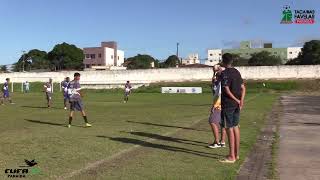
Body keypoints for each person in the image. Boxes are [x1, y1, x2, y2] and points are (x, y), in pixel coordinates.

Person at [220, 53, 246, 163]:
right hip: (237, 105)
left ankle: (231, 156)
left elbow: (226, 89)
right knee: (235, 127)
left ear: (223, 61)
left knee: (229, 128)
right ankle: (237, 154)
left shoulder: (225, 73)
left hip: (229, 104)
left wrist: (236, 100)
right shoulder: (237, 72)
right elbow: (243, 88)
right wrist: (241, 101)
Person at [208, 65, 227, 149]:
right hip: (224, 104)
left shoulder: (220, 82)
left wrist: (214, 106)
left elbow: (219, 95)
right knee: (222, 124)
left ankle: (216, 142)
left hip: (219, 104)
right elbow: (213, 84)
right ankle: (222, 142)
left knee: (212, 121)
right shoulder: (218, 82)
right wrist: (214, 72)